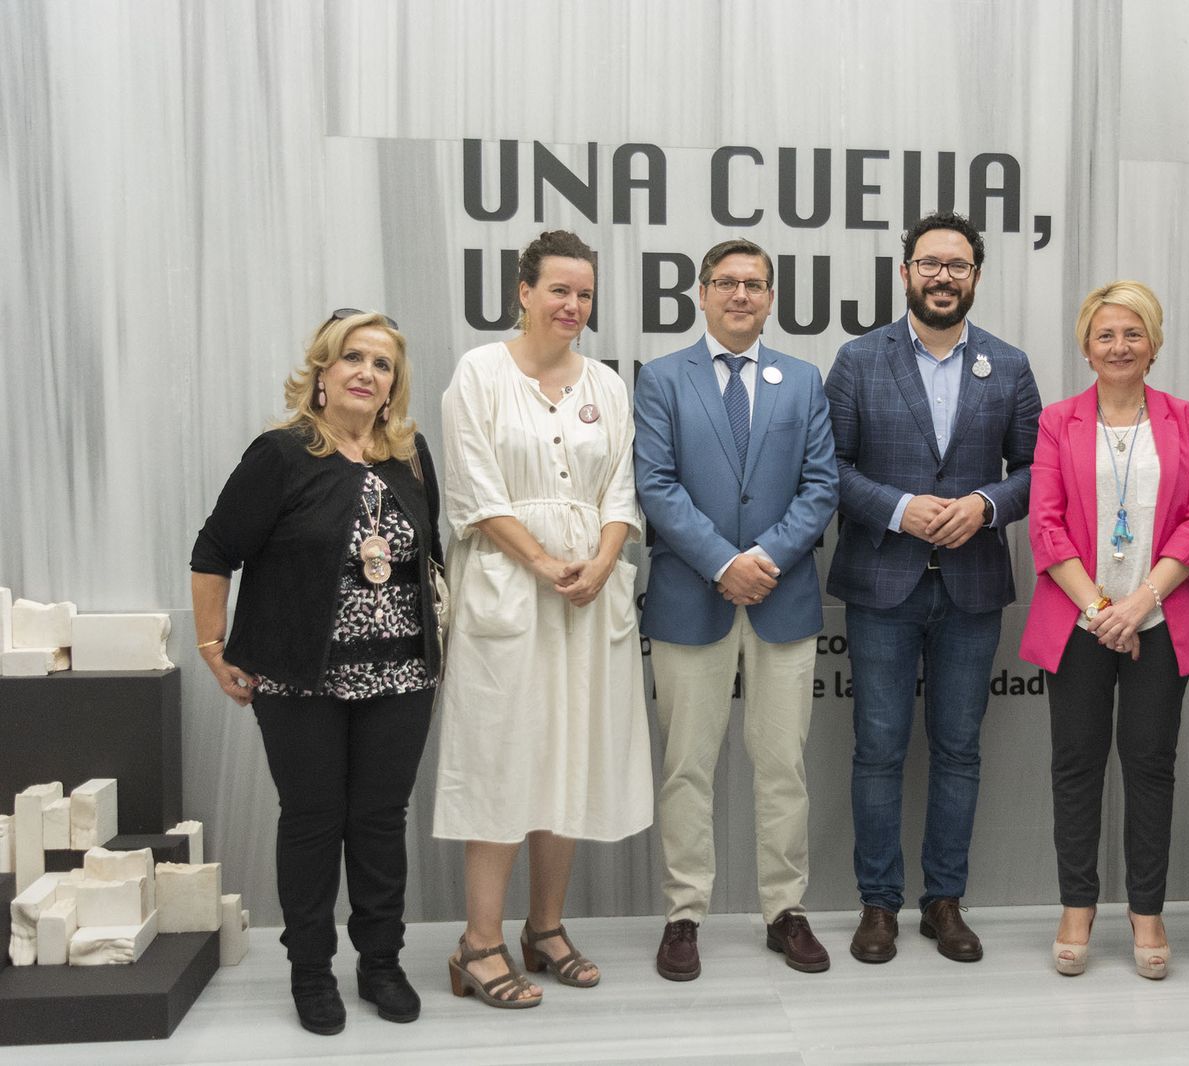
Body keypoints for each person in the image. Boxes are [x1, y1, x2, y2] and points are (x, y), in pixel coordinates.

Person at [190, 308, 442, 1035]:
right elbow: (214, 551)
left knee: (379, 821)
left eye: (382, 364)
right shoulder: (281, 454)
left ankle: (381, 963)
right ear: (323, 374)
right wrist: (214, 647)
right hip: (302, 679)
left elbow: (431, 556)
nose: (367, 372)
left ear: (394, 385)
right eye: (352, 359)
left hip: (400, 678)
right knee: (311, 820)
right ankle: (309, 971)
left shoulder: (410, 452)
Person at [432, 230, 651, 1008]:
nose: (573, 306)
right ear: (523, 291)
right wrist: (541, 560)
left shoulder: (607, 385)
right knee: (500, 758)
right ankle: (478, 943)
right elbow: (473, 490)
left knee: (570, 755)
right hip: (509, 591)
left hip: (589, 597)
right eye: (559, 289)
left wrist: (598, 563)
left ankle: (545, 928)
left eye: (585, 294)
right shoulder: (479, 373)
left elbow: (621, 490)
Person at [825, 211, 1041, 964]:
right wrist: (897, 507)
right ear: (905, 273)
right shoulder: (857, 360)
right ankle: (878, 905)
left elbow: (1037, 473)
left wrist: (984, 506)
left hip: (973, 583)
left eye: (957, 265)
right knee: (878, 749)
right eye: (929, 263)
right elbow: (832, 469)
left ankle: (943, 901)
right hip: (882, 580)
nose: (942, 276)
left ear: (975, 277)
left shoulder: (1009, 366)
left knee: (958, 749)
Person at [633, 239, 839, 981]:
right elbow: (654, 484)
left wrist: (766, 561)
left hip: (781, 599)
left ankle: (784, 911)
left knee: (782, 764)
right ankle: (684, 913)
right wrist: (723, 562)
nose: (741, 294)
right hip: (693, 597)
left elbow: (820, 487)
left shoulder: (802, 380)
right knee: (686, 766)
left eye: (755, 284)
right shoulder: (661, 379)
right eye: (727, 282)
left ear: (772, 297)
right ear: (702, 292)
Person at [1018, 281, 1189, 979]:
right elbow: (1044, 522)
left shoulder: (1184, 418)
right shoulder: (1059, 421)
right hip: (1079, 621)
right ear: (1086, 345)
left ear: (1154, 344)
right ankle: (1077, 906)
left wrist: (1141, 605)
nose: (1119, 346)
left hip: (1160, 617)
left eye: (1133, 334)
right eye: (1106, 335)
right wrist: (1104, 611)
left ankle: (1146, 911)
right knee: (1075, 765)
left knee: (1150, 766)